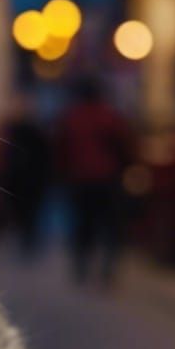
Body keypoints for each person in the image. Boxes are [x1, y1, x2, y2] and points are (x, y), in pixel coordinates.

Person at [55, 76, 135, 286]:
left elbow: (61, 149)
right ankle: (107, 269)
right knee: (109, 226)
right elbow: (124, 146)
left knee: (83, 225)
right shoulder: (110, 116)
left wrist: (63, 174)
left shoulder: (72, 117)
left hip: (80, 179)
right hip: (107, 179)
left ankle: (82, 266)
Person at [1, 96, 52, 257]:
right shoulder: (34, 132)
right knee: (30, 210)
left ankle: (26, 237)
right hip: (32, 178)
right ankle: (28, 238)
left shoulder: (15, 132)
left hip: (22, 177)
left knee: (25, 209)